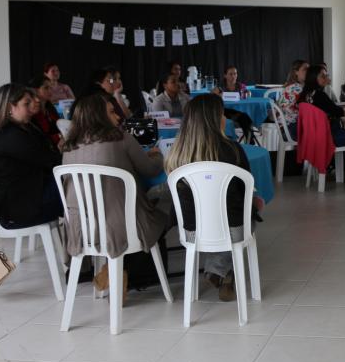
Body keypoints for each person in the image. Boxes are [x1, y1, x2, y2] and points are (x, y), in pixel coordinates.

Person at [60, 93, 169, 289]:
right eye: (111, 112)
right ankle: (129, 270)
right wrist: (158, 155)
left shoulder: (68, 147)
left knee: (127, 205)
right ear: (99, 116)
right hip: (121, 226)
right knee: (167, 203)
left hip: (82, 229)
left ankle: (115, 270)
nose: (118, 117)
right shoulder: (121, 138)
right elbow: (151, 170)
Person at [164, 94, 254, 302]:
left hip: (191, 231)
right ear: (215, 119)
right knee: (243, 212)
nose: (225, 118)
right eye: (222, 114)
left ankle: (220, 270)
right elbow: (244, 192)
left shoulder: (176, 154)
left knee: (212, 217)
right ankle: (220, 270)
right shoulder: (233, 150)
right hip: (232, 229)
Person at [0, 84, 64, 229]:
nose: (32, 108)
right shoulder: (11, 135)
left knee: (72, 186)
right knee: (77, 185)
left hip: (6, 203)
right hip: (17, 210)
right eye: (26, 104)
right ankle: (83, 236)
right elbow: (51, 161)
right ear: (9, 107)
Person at [28, 75, 62, 147]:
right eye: (46, 88)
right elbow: (41, 139)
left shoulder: (50, 108)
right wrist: (59, 136)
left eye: (51, 87)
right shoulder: (32, 112)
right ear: (35, 91)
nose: (50, 91)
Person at [277, 60, 308, 138]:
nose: (308, 71)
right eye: (305, 69)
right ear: (296, 72)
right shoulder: (296, 88)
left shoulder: (300, 87)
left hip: (286, 127)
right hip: (290, 128)